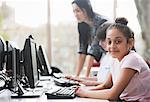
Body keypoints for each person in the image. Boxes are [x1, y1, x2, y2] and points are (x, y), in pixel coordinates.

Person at [75, 20, 150, 101]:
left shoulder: (132, 59)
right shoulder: (115, 59)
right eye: (109, 42)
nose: (112, 46)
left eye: (118, 41)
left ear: (130, 43)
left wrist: (85, 93)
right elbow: (106, 85)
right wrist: (82, 91)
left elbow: (113, 95)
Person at [72, 0, 111, 77]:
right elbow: (82, 50)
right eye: (74, 11)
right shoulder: (82, 24)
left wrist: (86, 77)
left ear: (86, 9)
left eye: (78, 11)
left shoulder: (101, 21)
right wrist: (76, 76)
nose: (75, 14)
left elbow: (93, 50)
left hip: (112, 58)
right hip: (104, 59)